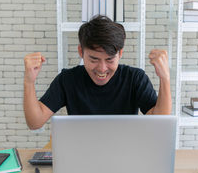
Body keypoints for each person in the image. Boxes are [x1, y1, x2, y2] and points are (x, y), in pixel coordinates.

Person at [23, 15, 171, 130]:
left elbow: (160, 124)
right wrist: (29, 81)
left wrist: (165, 78)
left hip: (124, 153)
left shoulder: (135, 78)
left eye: (109, 60)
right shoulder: (67, 80)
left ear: (120, 54)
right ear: (81, 52)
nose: (102, 68)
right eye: (94, 59)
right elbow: (35, 123)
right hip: (81, 155)